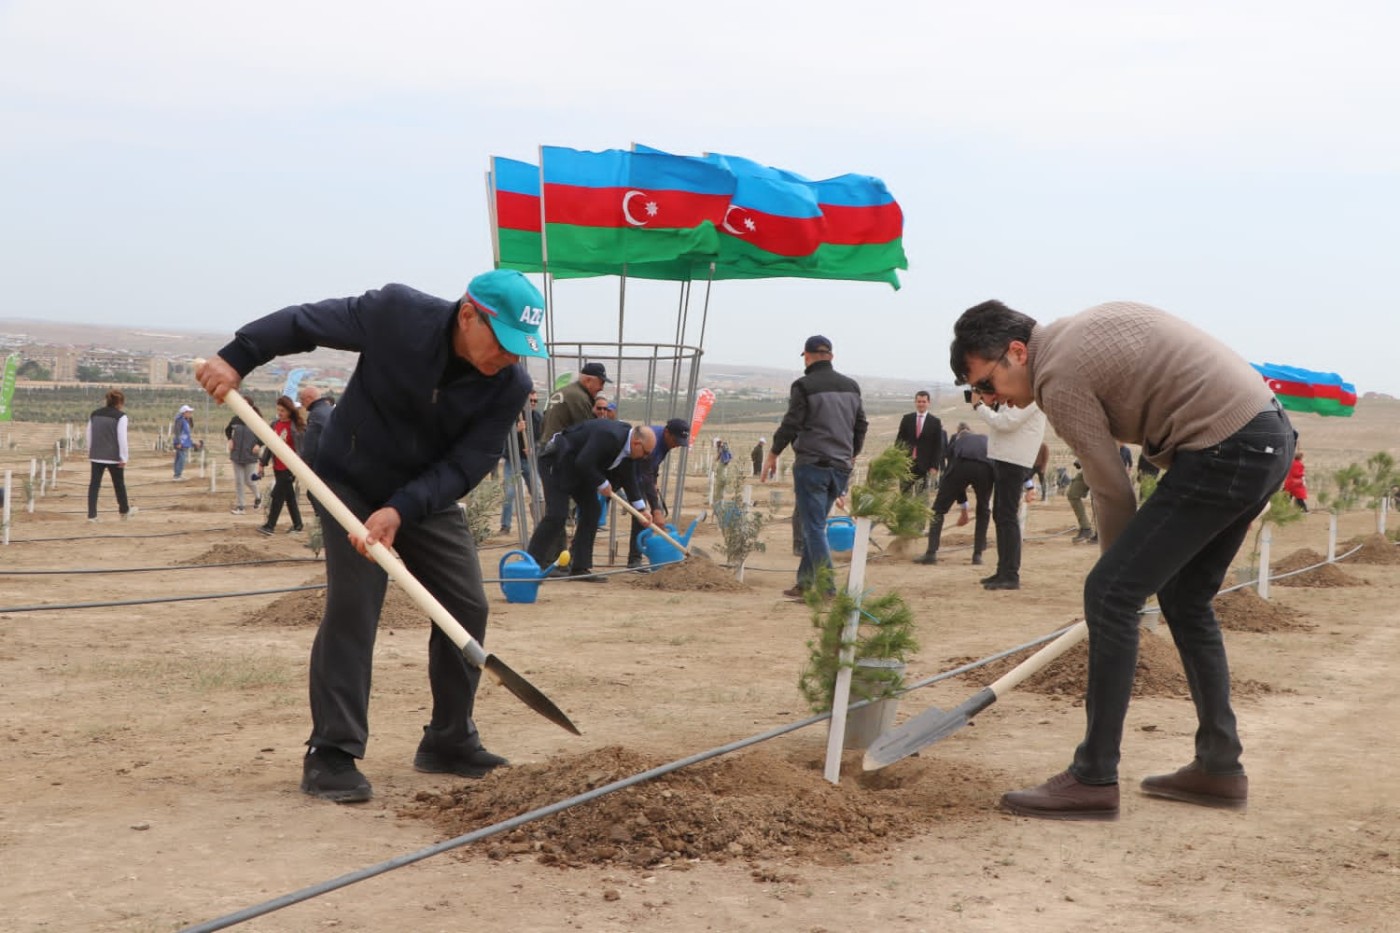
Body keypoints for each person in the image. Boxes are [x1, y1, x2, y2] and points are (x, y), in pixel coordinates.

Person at [196, 268, 547, 804]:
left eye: (520, 349)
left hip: (424, 496)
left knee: (465, 607)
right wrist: (237, 356)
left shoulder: (509, 384)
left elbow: (468, 463)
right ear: (470, 314)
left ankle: (449, 741)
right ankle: (331, 752)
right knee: (355, 606)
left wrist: (402, 509)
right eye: (503, 343)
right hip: (349, 481)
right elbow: (302, 323)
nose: (509, 357)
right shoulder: (397, 314)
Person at [950, 298, 1293, 821]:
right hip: (1266, 437)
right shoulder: (1073, 334)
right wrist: (1124, 583)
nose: (990, 400)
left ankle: (1093, 776)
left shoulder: (1056, 378)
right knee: (1185, 598)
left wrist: (1115, 585)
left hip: (1226, 447)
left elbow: (1111, 489)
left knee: (1111, 593)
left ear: (1017, 352)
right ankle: (1219, 767)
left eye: (988, 385)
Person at [763, 334, 868, 599]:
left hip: (813, 465)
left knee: (812, 527)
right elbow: (861, 425)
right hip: (841, 467)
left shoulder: (804, 385)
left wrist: (774, 452)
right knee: (817, 525)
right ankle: (805, 583)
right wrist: (852, 453)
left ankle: (826, 587)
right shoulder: (851, 386)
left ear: (807, 356)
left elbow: (792, 423)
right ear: (831, 356)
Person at [527, 419, 655, 581]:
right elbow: (584, 460)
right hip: (557, 461)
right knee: (557, 514)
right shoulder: (611, 437)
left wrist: (641, 510)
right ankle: (530, 563)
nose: (645, 457)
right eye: (646, 453)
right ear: (637, 443)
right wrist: (602, 482)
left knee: (592, 510)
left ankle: (579, 567)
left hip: (579, 470)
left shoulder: (629, 450)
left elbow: (629, 479)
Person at [969, 393, 1047, 590]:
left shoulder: (1029, 397)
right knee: (1000, 515)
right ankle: (1003, 570)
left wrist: (978, 405)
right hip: (1005, 458)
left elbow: (1006, 423)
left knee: (1007, 516)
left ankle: (1011, 574)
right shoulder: (1016, 397)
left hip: (1014, 460)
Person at [914, 421, 992, 565]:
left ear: (958, 434)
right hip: (985, 468)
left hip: (960, 467)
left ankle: (931, 553)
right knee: (983, 510)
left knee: (938, 510)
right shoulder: (985, 438)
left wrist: (964, 508)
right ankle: (978, 555)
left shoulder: (957, 441)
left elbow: (953, 474)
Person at [626, 418, 691, 569]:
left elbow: (652, 470)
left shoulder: (666, 442)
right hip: (628, 474)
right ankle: (635, 560)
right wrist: (656, 509)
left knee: (643, 515)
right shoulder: (654, 440)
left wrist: (654, 483)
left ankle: (635, 559)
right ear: (667, 433)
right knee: (642, 515)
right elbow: (645, 475)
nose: (676, 445)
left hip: (640, 476)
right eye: (676, 440)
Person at [256, 396, 306, 536]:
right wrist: (262, 463)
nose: (280, 413)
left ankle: (270, 526)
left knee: (277, 496)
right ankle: (298, 524)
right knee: (289, 497)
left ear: (290, 411)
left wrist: (298, 467)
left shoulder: (296, 427)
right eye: (278, 410)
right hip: (277, 467)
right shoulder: (275, 424)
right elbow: (269, 447)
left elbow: (302, 450)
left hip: (289, 468)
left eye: (283, 410)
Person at [85, 389, 133, 522]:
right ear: (120, 403)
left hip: (96, 455)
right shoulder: (121, 417)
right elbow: (122, 438)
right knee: (119, 485)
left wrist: (90, 450)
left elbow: (89, 434)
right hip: (113, 457)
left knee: (94, 485)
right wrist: (124, 457)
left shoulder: (94, 414)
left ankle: (92, 515)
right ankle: (124, 511)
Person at [499, 389, 542, 534]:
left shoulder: (537, 418)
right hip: (512, 461)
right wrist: (516, 431)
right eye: (531, 401)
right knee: (509, 493)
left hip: (529, 461)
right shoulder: (512, 416)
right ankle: (505, 526)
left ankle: (540, 523)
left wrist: (533, 447)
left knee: (537, 492)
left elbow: (541, 440)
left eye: (535, 401)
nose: (534, 403)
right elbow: (502, 439)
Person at [895, 390, 944, 495]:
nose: (921, 404)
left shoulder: (935, 422)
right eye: (919, 401)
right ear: (915, 402)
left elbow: (937, 446)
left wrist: (934, 466)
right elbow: (899, 442)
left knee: (921, 499)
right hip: (906, 465)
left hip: (924, 466)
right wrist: (897, 461)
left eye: (923, 402)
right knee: (904, 497)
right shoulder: (907, 419)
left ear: (928, 403)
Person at [227, 398, 263, 515]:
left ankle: (258, 496)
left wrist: (258, 444)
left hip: (250, 455)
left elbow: (265, 435)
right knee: (239, 481)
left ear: (252, 407)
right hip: (236, 455)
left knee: (249, 480)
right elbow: (227, 430)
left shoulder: (256, 420)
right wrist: (230, 440)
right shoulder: (236, 419)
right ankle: (240, 506)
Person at [1066, 459, 1096, 543]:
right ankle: (1085, 528)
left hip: (1103, 469)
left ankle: (1100, 533)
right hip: (1088, 467)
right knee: (1072, 494)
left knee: (1099, 501)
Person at [171, 405, 195, 479]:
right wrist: (178, 442)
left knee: (180, 458)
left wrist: (190, 418)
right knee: (181, 458)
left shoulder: (185, 420)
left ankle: (178, 474)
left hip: (184, 442)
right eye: (189, 412)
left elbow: (191, 426)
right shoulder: (180, 420)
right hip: (180, 442)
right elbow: (177, 432)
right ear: (184, 412)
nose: (191, 413)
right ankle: (177, 475)